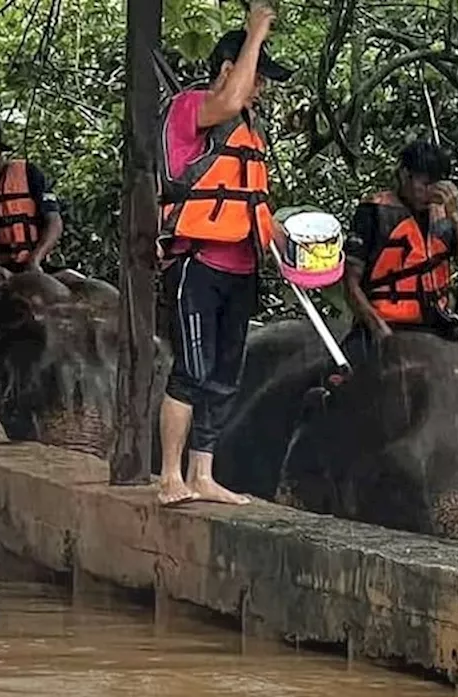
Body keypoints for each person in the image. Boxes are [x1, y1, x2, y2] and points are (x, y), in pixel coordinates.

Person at [154, 3, 293, 507]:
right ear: (230, 69)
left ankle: (203, 473)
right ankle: (169, 474)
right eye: (256, 76)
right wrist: (257, 28)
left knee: (222, 376)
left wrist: (292, 243)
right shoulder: (193, 107)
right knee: (190, 370)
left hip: (240, 266)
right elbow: (231, 98)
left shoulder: (248, 132)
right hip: (197, 265)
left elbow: (254, 206)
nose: (260, 89)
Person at [340, 140, 458, 363]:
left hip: (438, 326)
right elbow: (350, 283)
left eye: (435, 185)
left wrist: (456, 215)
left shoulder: (445, 216)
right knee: (341, 377)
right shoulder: (373, 213)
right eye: (424, 184)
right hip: (385, 324)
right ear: (403, 175)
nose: (428, 192)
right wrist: (377, 327)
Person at [0, 111, 84, 330]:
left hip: (36, 267)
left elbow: (54, 222)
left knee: (78, 282)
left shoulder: (29, 174)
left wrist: (35, 259)